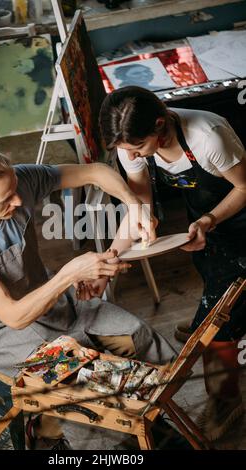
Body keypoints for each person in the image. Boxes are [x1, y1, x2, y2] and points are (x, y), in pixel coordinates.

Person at [0, 145, 176, 449]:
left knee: (138, 334)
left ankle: (157, 424)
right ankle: (96, 444)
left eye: (15, 188)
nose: (17, 199)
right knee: (84, 384)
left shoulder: (18, 181)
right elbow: (14, 316)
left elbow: (96, 171)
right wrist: (69, 274)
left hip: (54, 302)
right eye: (5, 199)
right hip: (1, 330)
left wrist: (134, 205)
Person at [99, 86, 246, 441]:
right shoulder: (130, 143)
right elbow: (139, 199)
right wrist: (112, 256)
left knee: (217, 326)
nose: (131, 155)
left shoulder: (208, 137)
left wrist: (210, 219)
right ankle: (218, 320)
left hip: (239, 219)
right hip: (208, 217)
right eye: (125, 151)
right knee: (212, 277)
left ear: (160, 125)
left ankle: (226, 400)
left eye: (136, 149)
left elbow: (244, 187)